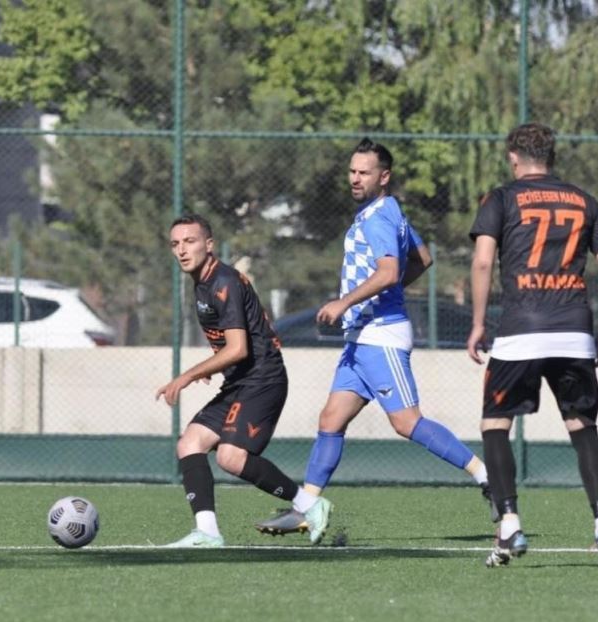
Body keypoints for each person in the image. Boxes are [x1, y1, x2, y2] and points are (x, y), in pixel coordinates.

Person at [256, 137, 496, 537]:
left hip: (381, 336)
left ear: (384, 177)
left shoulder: (379, 217)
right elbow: (423, 258)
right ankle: (308, 507)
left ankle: (487, 476)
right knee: (331, 418)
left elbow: (389, 272)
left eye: (364, 173)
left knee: (406, 421)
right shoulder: (384, 211)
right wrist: (378, 294)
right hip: (361, 338)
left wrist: (345, 301)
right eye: (352, 171)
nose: (355, 178)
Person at [467, 123, 598, 568]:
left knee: (495, 424)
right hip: (573, 329)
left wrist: (477, 323)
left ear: (513, 158)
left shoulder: (501, 199)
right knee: (582, 427)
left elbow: (483, 262)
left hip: (521, 328)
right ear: (552, 158)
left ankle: (510, 523)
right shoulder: (584, 200)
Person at [156, 214, 332, 547]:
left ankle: (309, 505)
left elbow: (238, 349)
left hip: (263, 379)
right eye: (175, 244)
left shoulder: (223, 282)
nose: (181, 250)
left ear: (209, 245)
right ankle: (207, 533)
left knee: (230, 457)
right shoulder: (202, 282)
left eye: (190, 241)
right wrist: (213, 366)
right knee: (189, 444)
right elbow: (233, 345)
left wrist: (189, 375)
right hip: (240, 381)